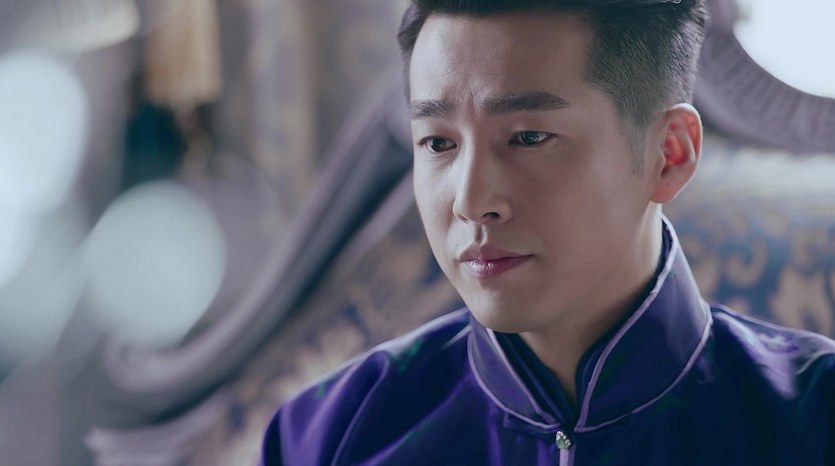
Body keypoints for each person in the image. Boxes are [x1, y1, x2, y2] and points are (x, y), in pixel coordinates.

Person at [261, 0, 835, 464]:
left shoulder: (814, 419)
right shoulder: (328, 433)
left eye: (529, 138)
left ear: (669, 153)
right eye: (438, 142)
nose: (471, 202)